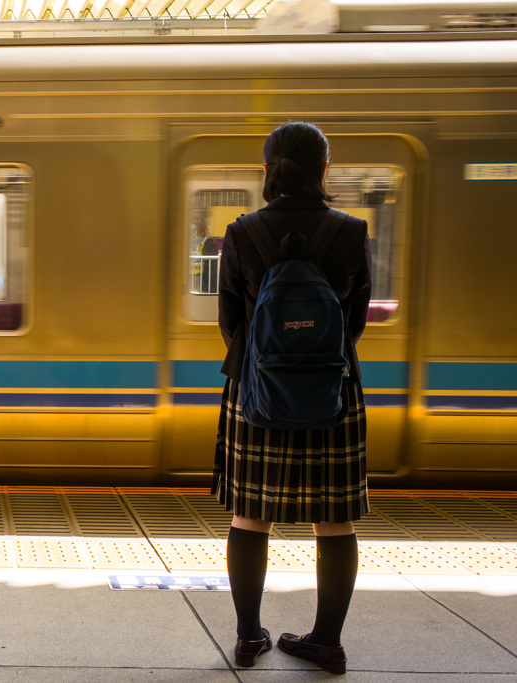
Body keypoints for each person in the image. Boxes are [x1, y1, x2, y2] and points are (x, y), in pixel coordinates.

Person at [212, 122, 371, 675]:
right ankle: (326, 642)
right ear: (325, 170)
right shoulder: (352, 231)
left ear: (266, 170)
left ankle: (249, 637)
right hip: (334, 391)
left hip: (256, 392)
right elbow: (353, 327)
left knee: (250, 515)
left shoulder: (243, 232)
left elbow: (231, 324)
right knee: (336, 522)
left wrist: (268, 367)